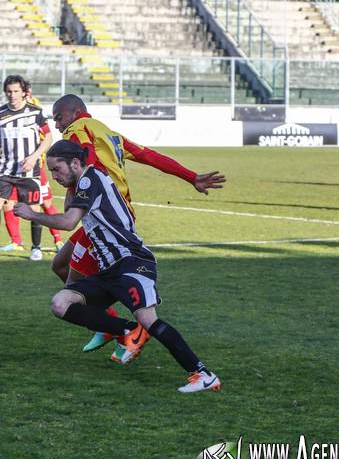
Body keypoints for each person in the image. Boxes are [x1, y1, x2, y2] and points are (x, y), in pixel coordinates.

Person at [14, 140, 222, 393]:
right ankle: (127, 330)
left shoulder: (90, 179)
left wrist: (32, 213)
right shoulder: (86, 182)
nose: (54, 175)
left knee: (149, 320)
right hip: (109, 270)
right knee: (61, 303)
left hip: (132, 262)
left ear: (76, 163)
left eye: (57, 169)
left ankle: (202, 374)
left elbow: (69, 222)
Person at [50, 94, 226, 361]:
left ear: (75, 112)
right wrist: (190, 177)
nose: (57, 125)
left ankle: (125, 331)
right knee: (61, 266)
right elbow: (148, 155)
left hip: (103, 216)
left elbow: (88, 164)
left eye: (58, 117)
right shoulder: (109, 133)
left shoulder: (77, 131)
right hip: (112, 211)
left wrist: (77, 198)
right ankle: (113, 327)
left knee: (76, 289)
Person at [0, 74, 51, 261]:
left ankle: (36, 248)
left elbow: (49, 138)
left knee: (34, 209)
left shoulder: (36, 112)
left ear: (24, 92)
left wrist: (34, 157)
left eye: (16, 91)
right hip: (6, 170)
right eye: (9, 91)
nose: (12, 95)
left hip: (29, 171)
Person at [0, 81, 63, 253]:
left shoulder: (34, 108)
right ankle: (16, 242)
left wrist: (35, 156)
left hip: (35, 166)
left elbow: (45, 136)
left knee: (44, 203)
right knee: (7, 203)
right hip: (12, 168)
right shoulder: (10, 110)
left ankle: (58, 240)